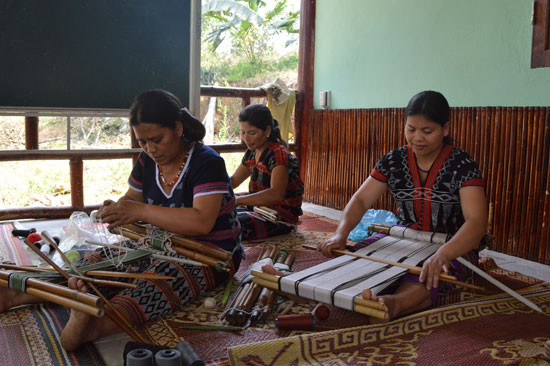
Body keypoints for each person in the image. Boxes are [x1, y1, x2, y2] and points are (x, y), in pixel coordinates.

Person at [0, 90, 242, 350]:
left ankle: (93, 326)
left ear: (178, 128)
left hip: (209, 255)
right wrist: (119, 210)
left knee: (159, 280)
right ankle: (17, 294)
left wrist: (138, 211)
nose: (150, 149)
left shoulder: (207, 162)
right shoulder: (148, 161)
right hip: (157, 242)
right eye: (143, 142)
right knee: (101, 261)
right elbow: (132, 200)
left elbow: (200, 222)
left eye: (157, 139)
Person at [316, 90, 488, 320]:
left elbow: (476, 224)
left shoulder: (462, 165)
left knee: (430, 276)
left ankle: (393, 304)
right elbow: (361, 199)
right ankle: (329, 289)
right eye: (411, 129)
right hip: (402, 237)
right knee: (356, 259)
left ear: (445, 129)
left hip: (453, 245)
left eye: (427, 131)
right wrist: (340, 234)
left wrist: (442, 255)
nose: (417, 138)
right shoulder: (393, 160)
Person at [230, 104, 304, 240]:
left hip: (279, 216)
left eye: (252, 133)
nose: (246, 138)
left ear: (267, 130)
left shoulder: (278, 154)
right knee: (219, 214)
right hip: (258, 209)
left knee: (227, 223)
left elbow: (275, 194)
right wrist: (211, 190)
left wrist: (238, 200)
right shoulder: (252, 152)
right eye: (243, 132)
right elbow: (234, 181)